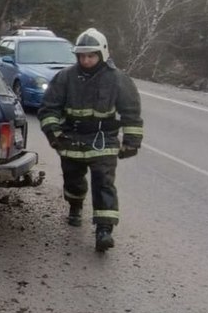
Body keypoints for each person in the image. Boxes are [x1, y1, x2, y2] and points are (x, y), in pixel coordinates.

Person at [37, 28, 143, 252]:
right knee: (73, 181)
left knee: (104, 183)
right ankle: (75, 206)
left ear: (102, 54)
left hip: (103, 140)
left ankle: (104, 231)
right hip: (71, 139)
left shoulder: (118, 80)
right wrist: (55, 134)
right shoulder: (65, 77)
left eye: (91, 56)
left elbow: (131, 112)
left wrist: (131, 141)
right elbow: (48, 109)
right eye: (82, 56)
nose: (86, 60)